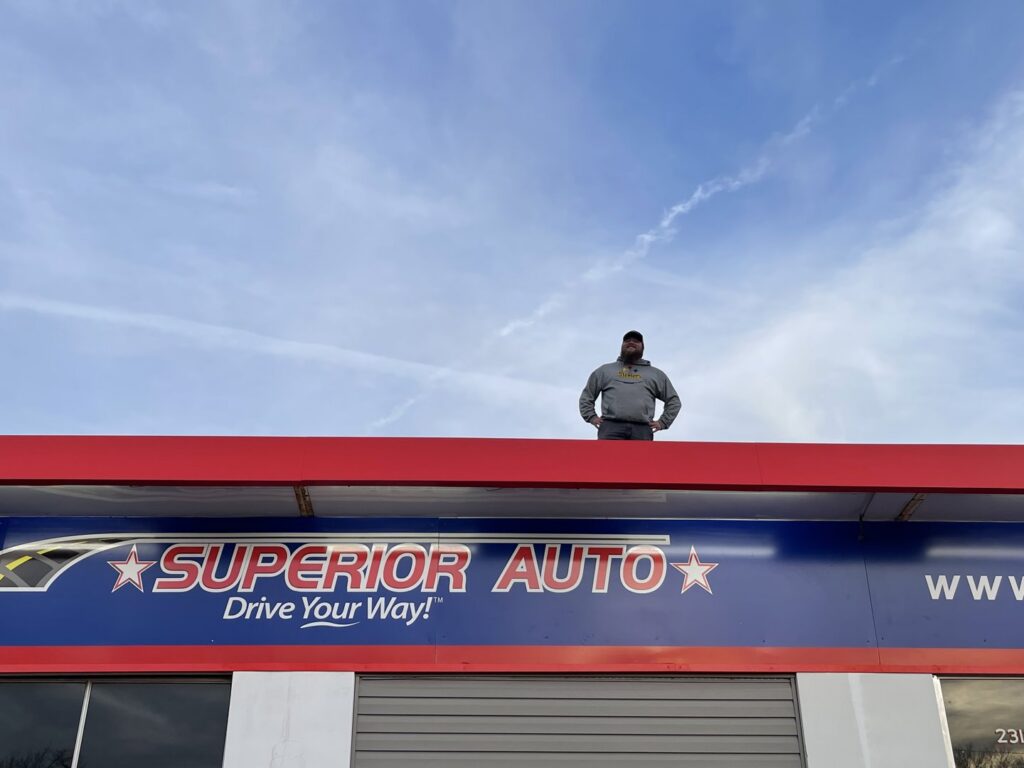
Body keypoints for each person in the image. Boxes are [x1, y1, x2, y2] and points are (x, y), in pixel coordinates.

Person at [579, 331, 681, 440]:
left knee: (641, 457)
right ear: (622, 346)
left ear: (642, 347)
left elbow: (674, 401)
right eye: (627, 341)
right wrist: (591, 416)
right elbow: (587, 396)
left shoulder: (656, 374)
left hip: (642, 429)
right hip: (610, 427)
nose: (631, 342)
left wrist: (663, 422)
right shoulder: (605, 371)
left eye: (636, 341)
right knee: (608, 457)